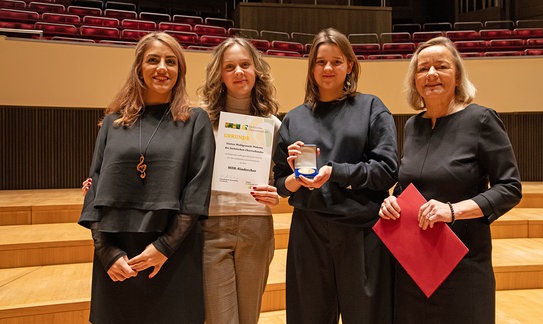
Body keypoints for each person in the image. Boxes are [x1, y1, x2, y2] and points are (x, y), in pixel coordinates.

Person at [378, 36, 522, 323]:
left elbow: (510, 188)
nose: (431, 74)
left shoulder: (481, 120)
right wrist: (392, 200)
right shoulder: (413, 125)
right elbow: (409, 183)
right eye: (423, 69)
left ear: (456, 76)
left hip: (463, 265)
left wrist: (452, 210)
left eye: (441, 66)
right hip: (413, 267)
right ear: (415, 80)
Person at [79, 32, 215, 324]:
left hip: (174, 254)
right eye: (153, 60)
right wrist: (105, 251)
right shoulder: (113, 123)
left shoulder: (195, 121)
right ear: (139, 67)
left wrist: (164, 247)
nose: (162, 68)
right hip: (117, 256)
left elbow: (196, 192)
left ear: (180, 71)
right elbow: (95, 187)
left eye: (171, 61)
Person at [272, 28, 398, 324]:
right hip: (309, 233)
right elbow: (279, 182)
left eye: (336, 61)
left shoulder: (371, 108)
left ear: (350, 65)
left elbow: (388, 170)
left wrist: (336, 172)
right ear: (311, 67)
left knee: (368, 317)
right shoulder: (294, 117)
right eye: (320, 62)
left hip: (362, 231)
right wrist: (293, 180)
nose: (328, 68)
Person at [197, 37, 281, 324]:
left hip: (256, 227)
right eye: (229, 67)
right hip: (212, 229)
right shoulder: (202, 121)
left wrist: (277, 193)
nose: (238, 72)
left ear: (256, 70)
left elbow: (281, 179)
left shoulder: (273, 124)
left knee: (248, 319)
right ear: (219, 75)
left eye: (245, 65)